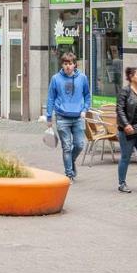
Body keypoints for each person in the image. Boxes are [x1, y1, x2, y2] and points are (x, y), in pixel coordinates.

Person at [44, 53, 91, 182]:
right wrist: (49, 117)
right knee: (66, 146)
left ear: (74, 64)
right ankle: (69, 174)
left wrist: (85, 109)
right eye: (65, 64)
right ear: (62, 65)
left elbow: (87, 95)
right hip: (62, 117)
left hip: (78, 117)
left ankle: (71, 161)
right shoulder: (55, 79)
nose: (68, 66)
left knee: (79, 144)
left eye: (70, 64)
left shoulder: (82, 78)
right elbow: (50, 98)